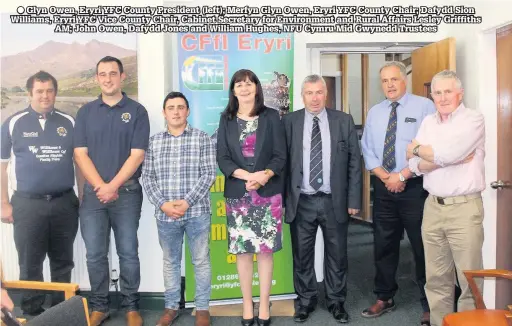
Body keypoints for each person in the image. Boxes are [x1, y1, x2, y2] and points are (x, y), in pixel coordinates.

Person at [73, 56, 150, 326]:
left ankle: (131, 307)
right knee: (95, 253)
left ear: (122, 77)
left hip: (127, 195)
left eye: (113, 74)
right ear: (97, 78)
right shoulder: (85, 113)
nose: (107, 79)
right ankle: (100, 306)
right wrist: (101, 187)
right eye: (102, 74)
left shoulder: (138, 111)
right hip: (94, 197)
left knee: (128, 251)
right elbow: (80, 155)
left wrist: (112, 186)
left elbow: (137, 155)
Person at [407, 70, 485, 326]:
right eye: (437, 92)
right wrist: (431, 156)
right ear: (431, 95)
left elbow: (446, 154)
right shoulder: (428, 122)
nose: (442, 97)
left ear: (460, 93)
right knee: (436, 278)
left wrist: (422, 151)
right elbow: (415, 163)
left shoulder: (473, 120)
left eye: (448, 91)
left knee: (469, 279)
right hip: (433, 207)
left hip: (464, 208)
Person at [0, 71, 81, 316]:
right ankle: (32, 312)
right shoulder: (13, 122)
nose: (45, 96)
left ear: (55, 92)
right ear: (30, 94)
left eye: (49, 91)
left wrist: (83, 197)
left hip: (64, 203)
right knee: (30, 263)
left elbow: (80, 163)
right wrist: (3, 203)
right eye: (39, 91)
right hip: (27, 204)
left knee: (62, 262)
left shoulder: (70, 122)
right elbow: (1, 165)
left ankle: (61, 311)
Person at [360, 61, 435, 324]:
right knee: (383, 245)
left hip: (414, 187)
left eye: (394, 79)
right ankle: (384, 296)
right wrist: (385, 177)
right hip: (384, 188)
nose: (390, 85)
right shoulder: (375, 112)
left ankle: (431, 303)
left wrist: (402, 176)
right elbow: (367, 149)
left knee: (422, 247)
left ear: (404, 80)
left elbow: (430, 148)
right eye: (385, 81)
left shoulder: (425, 107)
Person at [282, 74, 361, 323]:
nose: (314, 98)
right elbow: (282, 163)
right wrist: (282, 200)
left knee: (337, 255)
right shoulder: (290, 122)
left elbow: (354, 164)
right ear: (302, 95)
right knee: (302, 255)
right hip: (301, 200)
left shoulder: (343, 121)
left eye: (318, 92)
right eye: (309, 93)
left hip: (333, 200)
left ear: (325, 94)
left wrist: (354, 200)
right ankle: (305, 301)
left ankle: (336, 302)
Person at [216, 69, 286, 326]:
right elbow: (222, 156)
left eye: (249, 84)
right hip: (239, 194)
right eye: (239, 84)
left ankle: (264, 303)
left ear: (257, 88)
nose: (244, 88)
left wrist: (264, 176)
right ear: (233, 90)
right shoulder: (226, 119)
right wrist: (247, 177)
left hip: (267, 194)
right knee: (244, 253)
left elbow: (280, 155)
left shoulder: (271, 117)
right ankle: (247, 304)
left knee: (266, 252)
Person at [142, 92, 216, 326]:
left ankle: (202, 308)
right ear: (164, 113)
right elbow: (147, 177)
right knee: (170, 261)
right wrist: (163, 204)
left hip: (197, 212)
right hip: (165, 215)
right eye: (171, 107)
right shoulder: (154, 142)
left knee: (201, 260)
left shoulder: (202, 138)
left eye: (180, 107)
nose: (176, 111)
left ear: (188, 112)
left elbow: (209, 174)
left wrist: (187, 202)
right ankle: (171, 306)